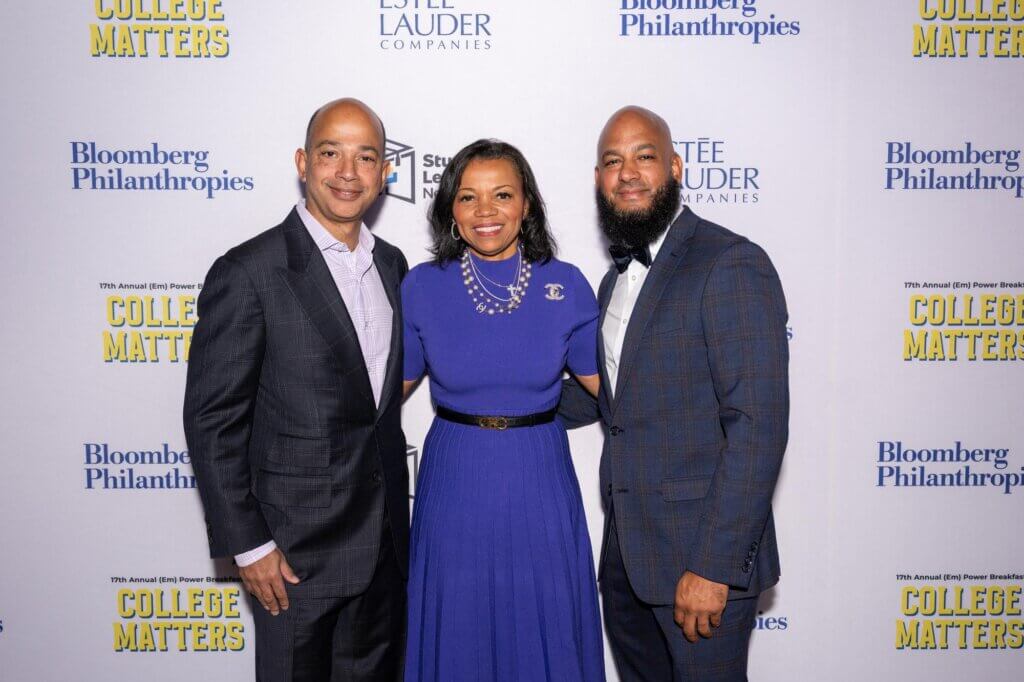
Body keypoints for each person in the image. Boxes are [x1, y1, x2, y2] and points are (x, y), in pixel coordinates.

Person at [559, 106, 790, 681]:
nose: (628, 172)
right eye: (613, 161)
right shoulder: (613, 282)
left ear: (676, 166)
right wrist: (497, 394)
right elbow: (608, 400)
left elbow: (757, 427)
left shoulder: (730, 262)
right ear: (597, 178)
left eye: (644, 157)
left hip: (699, 567)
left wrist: (713, 568)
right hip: (627, 564)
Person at [183, 98, 409, 681]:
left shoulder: (394, 267)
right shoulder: (249, 271)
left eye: (366, 157)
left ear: (385, 173)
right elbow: (213, 421)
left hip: (383, 555)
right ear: (303, 162)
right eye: (331, 153)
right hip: (292, 562)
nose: (348, 172)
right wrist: (250, 547)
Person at [401, 139, 605, 681]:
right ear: (450, 209)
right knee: (457, 631)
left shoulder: (567, 284)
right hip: (455, 481)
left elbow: (614, 392)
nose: (485, 211)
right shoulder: (422, 287)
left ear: (527, 205)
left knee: (544, 624)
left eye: (502, 195)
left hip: (537, 473)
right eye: (468, 197)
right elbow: (377, 397)